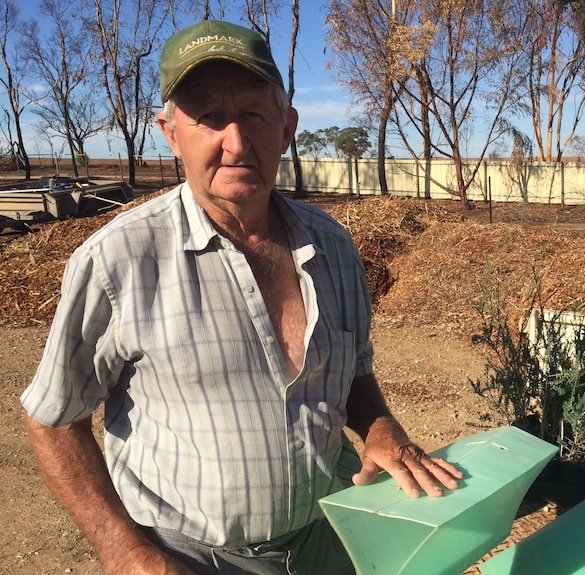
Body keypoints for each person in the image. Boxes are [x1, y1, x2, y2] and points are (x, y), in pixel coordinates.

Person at [21, 19, 462, 575]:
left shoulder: (334, 248)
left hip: (329, 544)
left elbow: (353, 371)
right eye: (207, 116)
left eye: (253, 113)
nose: (235, 141)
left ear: (287, 127)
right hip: (187, 560)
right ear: (170, 131)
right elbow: (53, 420)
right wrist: (126, 552)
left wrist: (380, 427)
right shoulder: (119, 262)